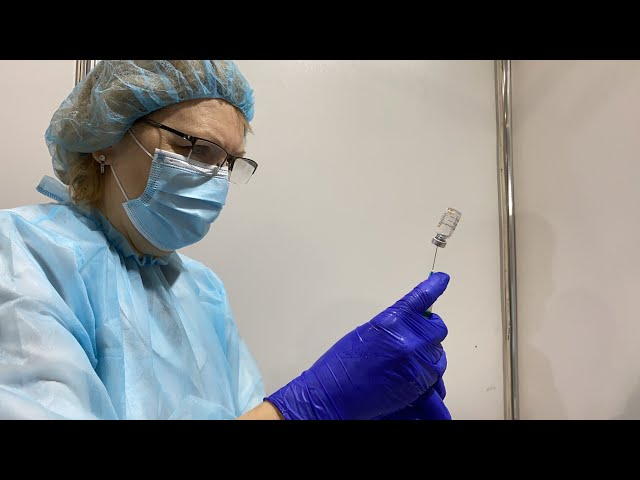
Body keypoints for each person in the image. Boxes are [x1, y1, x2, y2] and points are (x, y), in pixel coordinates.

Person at [0, 60, 452, 420]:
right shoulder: (23, 253)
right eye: (197, 148)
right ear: (105, 139)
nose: (215, 179)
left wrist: (361, 408)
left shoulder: (201, 290)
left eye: (228, 162)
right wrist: (312, 407)